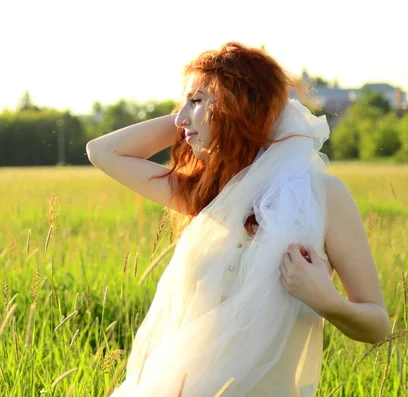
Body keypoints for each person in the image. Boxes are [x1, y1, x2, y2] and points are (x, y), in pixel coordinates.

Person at [86, 42, 390, 396]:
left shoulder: (324, 196)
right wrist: (194, 118)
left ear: (236, 107)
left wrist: (326, 300)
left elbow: (377, 325)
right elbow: (103, 151)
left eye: (197, 101)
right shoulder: (207, 195)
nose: (180, 116)